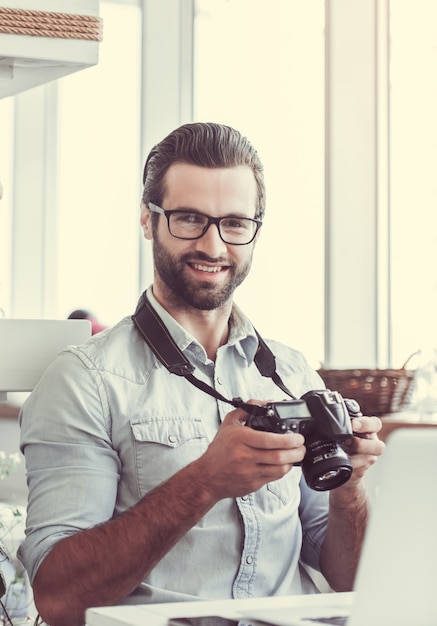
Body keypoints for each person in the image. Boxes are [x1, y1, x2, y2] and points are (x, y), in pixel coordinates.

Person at [18, 122, 385, 626]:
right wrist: (203, 484)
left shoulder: (294, 372)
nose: (213, 247)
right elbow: (59, 599)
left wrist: (350, 490)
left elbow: (354, 582)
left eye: (235, 223)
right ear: (148, 220)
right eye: (189, 219)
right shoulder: (84, 381)